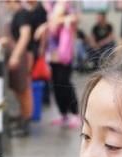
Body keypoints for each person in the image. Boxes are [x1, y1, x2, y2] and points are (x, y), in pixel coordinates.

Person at [45, 0, 80, 129]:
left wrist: (58, 19)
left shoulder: (67, 5)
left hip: (65, 54)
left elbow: (75, 19)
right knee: (56, 85)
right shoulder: (50, 5)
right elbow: (50, 24)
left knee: (65, 83)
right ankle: (63, 114)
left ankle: (75, 114)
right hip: (52, 53)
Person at [4, 0, 33, 137]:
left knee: (23, 90)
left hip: (22, 56)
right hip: (20, 55)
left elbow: (25, 35)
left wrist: (15, 55)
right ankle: (22, 118)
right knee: (18, 89)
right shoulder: (18, 14)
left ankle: (25, 123)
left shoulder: (22, 14)